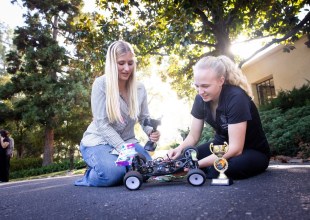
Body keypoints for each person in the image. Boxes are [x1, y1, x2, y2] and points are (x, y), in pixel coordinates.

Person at [167, 55, 270, 180]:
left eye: (205, 86)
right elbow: (193, 136)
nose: (200, 91)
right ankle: (202, 169)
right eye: (197, 86)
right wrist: (178, 149)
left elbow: (236, 149)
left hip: (251, 151)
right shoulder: (200, 99)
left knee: (225, 168)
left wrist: (196, 164)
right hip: (220, 146)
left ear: (221, 81)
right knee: (179, 160)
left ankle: (205, 170)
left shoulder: (236, 97)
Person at [75, 40, 160, 187]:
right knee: (112, 174)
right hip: (100, 142)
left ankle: (123, 168)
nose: (127, 68)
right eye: (121, 63)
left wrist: (150, 131)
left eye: (130, 63)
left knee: (148, 170)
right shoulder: (101, 84)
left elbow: (144, 118)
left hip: (127, 141)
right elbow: (102, 124)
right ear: (112, 64)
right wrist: (126, 152)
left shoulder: (139, 88)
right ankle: (92, 175)